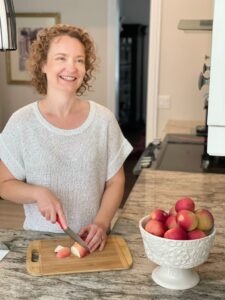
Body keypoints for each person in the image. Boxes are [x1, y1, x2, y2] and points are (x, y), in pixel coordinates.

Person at [0, 24, 133, 252]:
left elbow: (116, 182)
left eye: (79, 60)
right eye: (61, 58)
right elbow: (4, 184)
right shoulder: (22, 122)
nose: (71, 67)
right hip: (39, 243)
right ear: (43, 64)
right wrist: (37, 193)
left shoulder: (103, 120)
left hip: (92, 242)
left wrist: (101, 223)